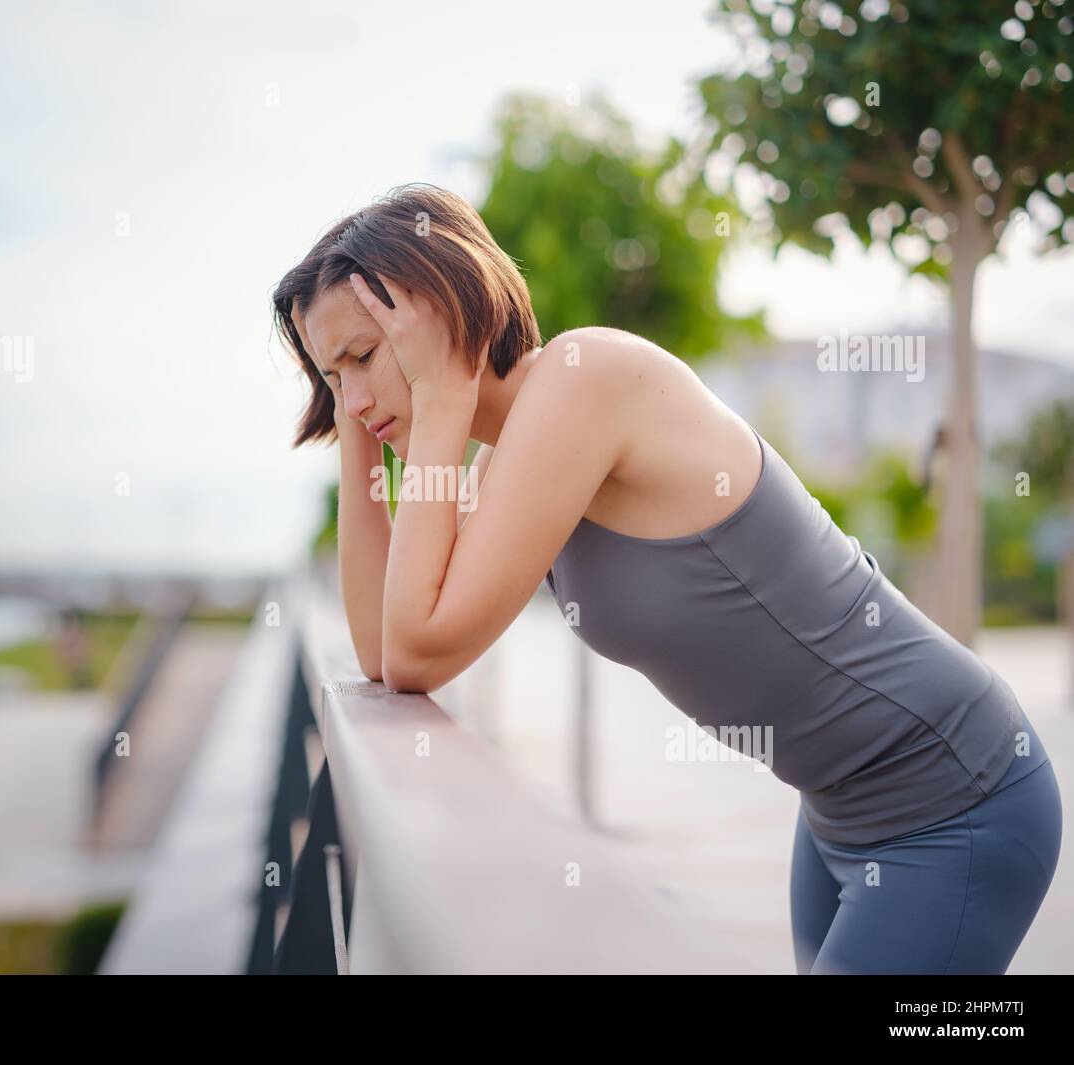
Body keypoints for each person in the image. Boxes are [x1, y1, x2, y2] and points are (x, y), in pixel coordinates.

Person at [270, 182, 1062, 975]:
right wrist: (354, 435)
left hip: (954, 796)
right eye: (332, 377)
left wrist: (440, 398)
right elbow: (381, 646)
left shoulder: (586, 377)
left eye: (365, 356)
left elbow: (416, 654)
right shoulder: (495, 465)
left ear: (437, 310)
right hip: (835, 813)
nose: (356, 398)